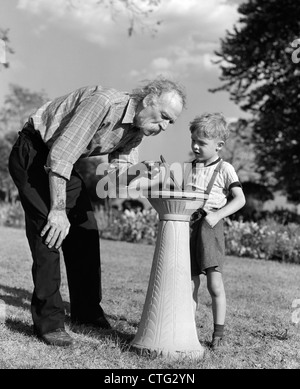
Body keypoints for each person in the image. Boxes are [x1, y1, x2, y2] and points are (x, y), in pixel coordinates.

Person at [8, 76, 186, 347]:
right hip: (34, 153)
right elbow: (61, 155)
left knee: (85, 231)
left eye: (169, 122)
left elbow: (115, 179)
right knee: (50, 234)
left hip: (61, 162)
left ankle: (87, 312)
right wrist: (57, 211)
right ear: (148, 100)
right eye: (163, 116)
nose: (163, 126)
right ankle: (49, 322)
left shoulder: (136, 131)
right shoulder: (103, 103)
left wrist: (145, 172)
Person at [185, 112, 246, 351]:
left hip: (211, 227)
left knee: (214, 285)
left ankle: (218, 334)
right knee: (190, 283)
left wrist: (218, 214)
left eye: (202, 143)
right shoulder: (189, 168)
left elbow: (240, 199)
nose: (195, 146)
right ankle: (188, 330)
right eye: (193, 141)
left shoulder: (225, 168)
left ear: (219, 145)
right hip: (191, 227)